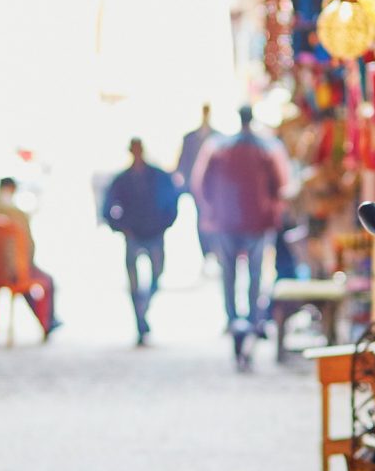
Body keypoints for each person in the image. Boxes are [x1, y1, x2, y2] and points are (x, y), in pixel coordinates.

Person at [194, 105, 288, 333]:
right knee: (255, 274)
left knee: (228, 273)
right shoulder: (266, 149)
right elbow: (280, 185)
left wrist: (211, 211)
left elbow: (201, 183)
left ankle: (232, 318)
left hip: (226, 221)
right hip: (257, 221)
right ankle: (254, 320)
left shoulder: (219, 148)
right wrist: (273, 211)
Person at [102, 137, 179, 346]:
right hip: (134, 235)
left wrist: (164, 224)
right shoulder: (123, 180)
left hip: (154, 233)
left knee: (156, 276)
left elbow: (172, 201)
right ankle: (140, 320)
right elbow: (108, 208)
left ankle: (143, 310)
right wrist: (122, 227)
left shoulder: (157, 176)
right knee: (134, 284)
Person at [0, 177, 60, 339]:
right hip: (16, 270)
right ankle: (48, 322)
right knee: (45, 280)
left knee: (25, 280)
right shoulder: (17, 214)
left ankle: (46, 322)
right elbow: (29, 247)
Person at [175, 103, 218, 259]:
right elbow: (182, 162)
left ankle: (213, 250)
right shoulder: (190, 138)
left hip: (215, 188)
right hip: (197, 187)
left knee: (215, 218)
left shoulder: (217, 136)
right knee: (201, 217)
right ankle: (206, 252)